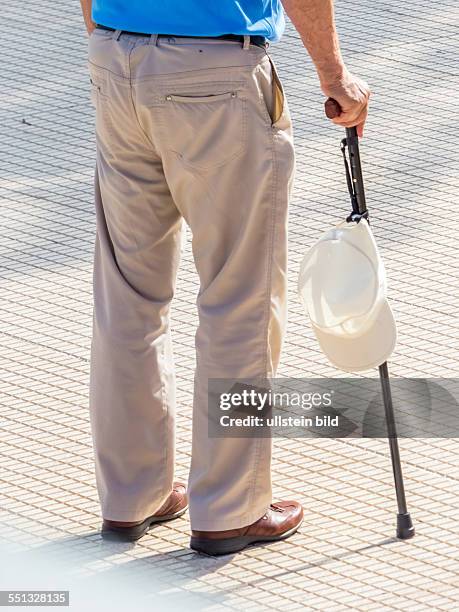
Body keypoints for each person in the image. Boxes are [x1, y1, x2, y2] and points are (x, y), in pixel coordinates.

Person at [80, 0, 370, 555]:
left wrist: (109, 38)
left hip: (116, 58)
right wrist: (335, 76)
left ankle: (132, 496)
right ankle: (230, 509)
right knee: (240, 296)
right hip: (215, 72)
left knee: (126, 295)